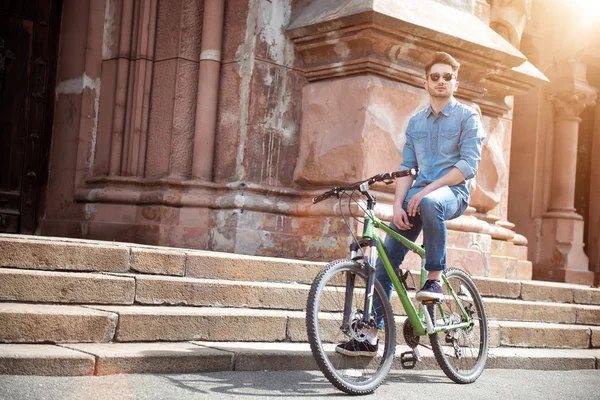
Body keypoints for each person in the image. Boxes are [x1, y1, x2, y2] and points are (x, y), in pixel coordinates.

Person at [336, 51, 486, 357]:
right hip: (418, 196)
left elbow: (468, 165)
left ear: (455, 82)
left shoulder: (468, 116)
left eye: (447, 77)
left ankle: (433, 280)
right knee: (386, 261)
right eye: (435, 77)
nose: (441, 81)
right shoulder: (416, 122)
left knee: (431, 202)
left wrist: (425, 191)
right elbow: (407, 168)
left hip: (452, 193)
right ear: (426, 82)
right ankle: (369, 334)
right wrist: (399, 205)